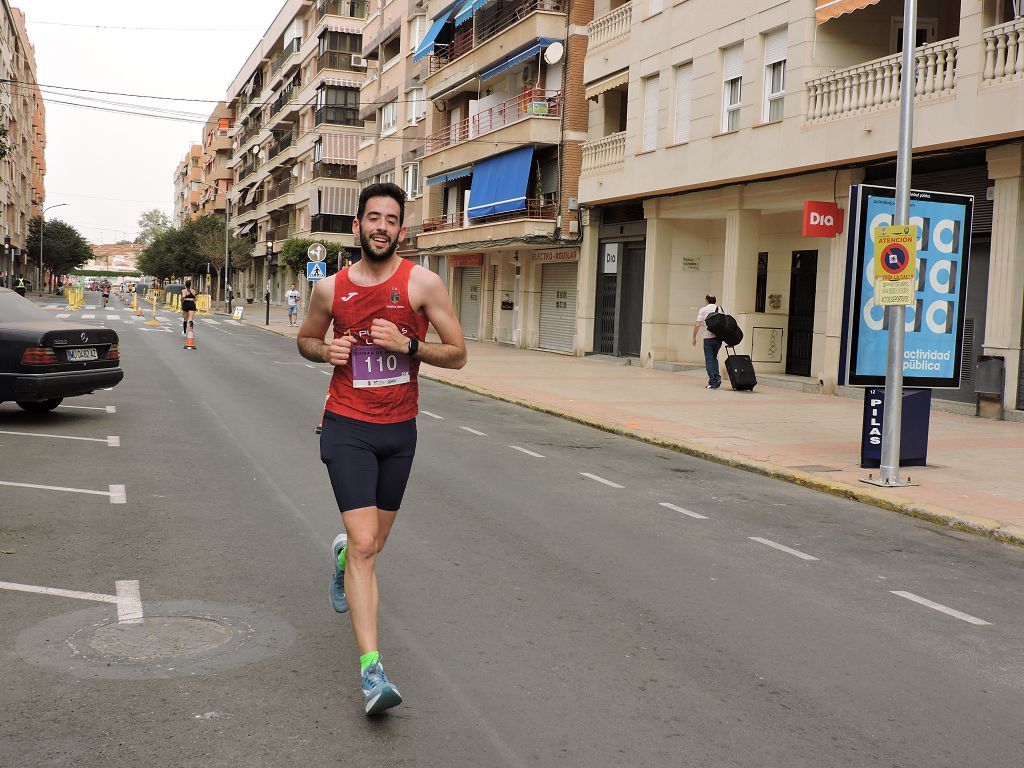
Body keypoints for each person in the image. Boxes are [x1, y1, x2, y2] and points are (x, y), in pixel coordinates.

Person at [296, 182, 467, 716]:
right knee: (367, 541)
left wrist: (410, 345)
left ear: (400, 230)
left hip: (400, 431)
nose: (381, 227)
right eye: (372, 218)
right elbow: (304, 340)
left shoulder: (423, 284)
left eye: (391, 220)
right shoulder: (331, 289)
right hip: (346, 424)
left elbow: (459, 354)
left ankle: (344, 555)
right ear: (357, 225)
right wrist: (328, 350)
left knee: (373, 545)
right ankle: (372, 672)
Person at [692, 294, 723, 389]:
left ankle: (713, 382)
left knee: (709, 360)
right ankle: (717, 378)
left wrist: (694, 337)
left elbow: (697, 324)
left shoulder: (703, 310)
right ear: (715, 300)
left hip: (708, 339)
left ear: (706, 301)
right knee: (714, 358)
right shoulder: (720, 309)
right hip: (718, 338)